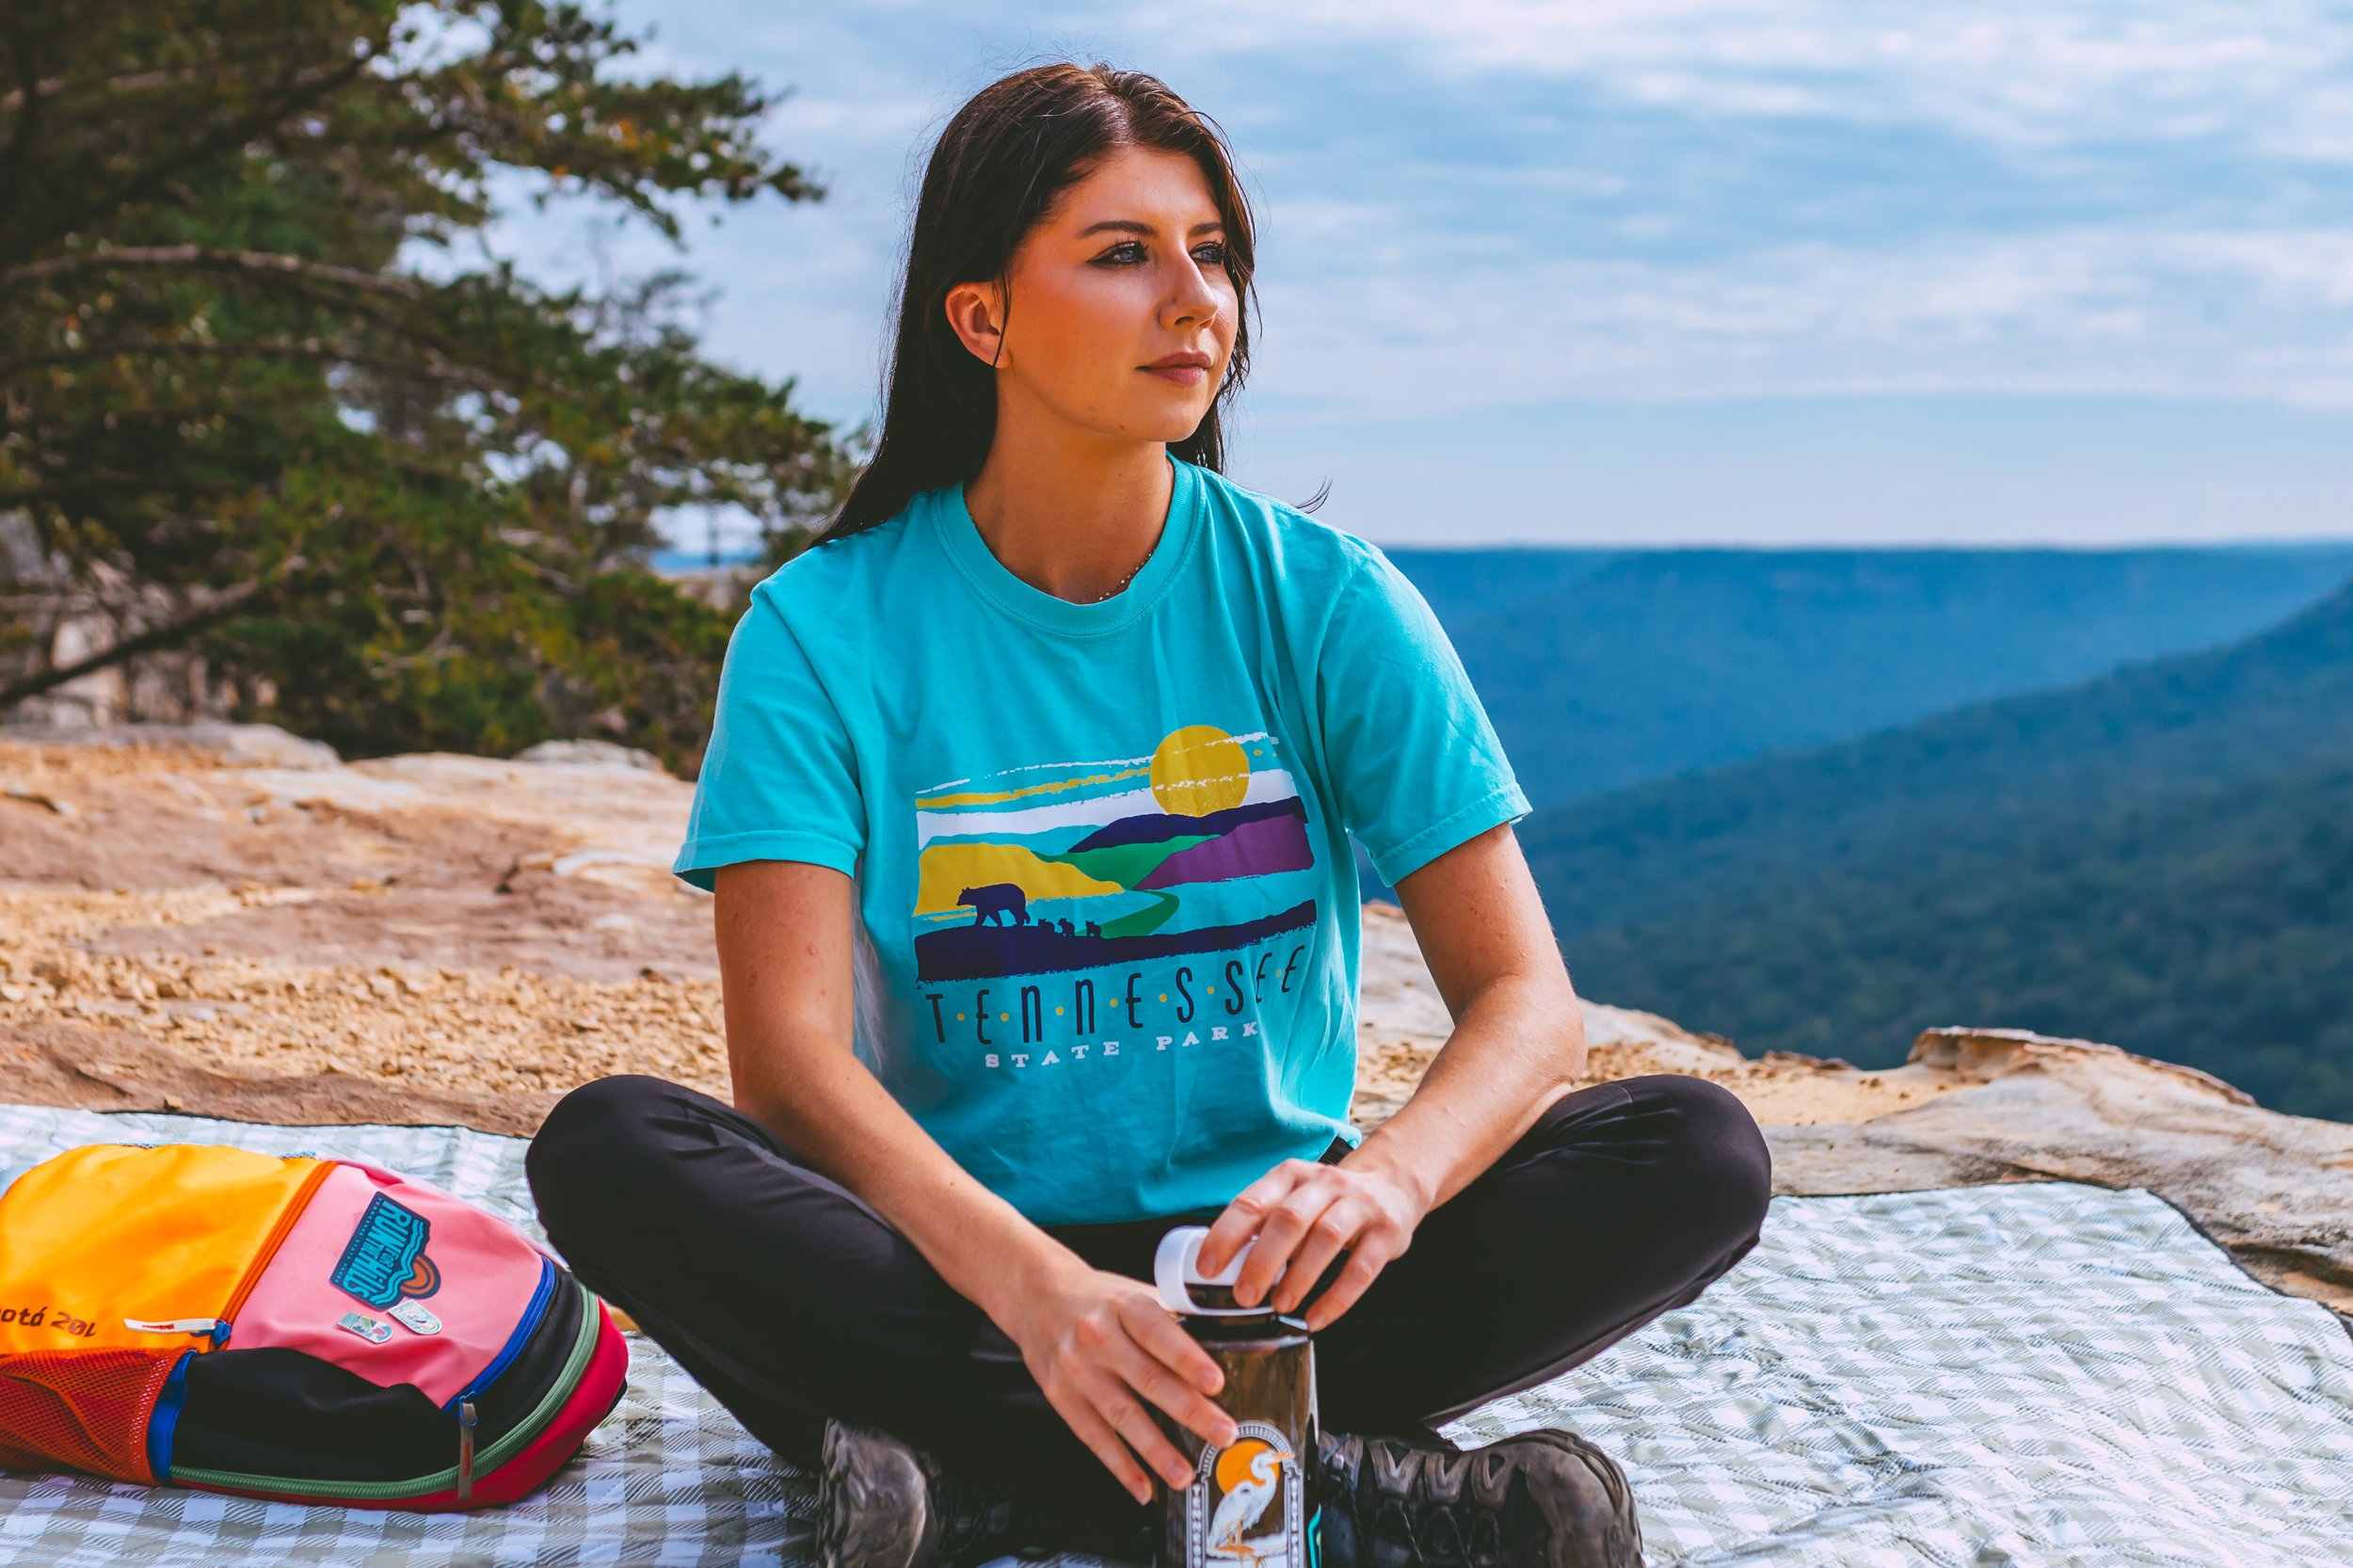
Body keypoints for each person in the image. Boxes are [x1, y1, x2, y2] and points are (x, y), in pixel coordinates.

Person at [526, 60, 1772, 1568]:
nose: (1195, 302)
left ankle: (978, 1488)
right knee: (610, 1146)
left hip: (1275, 1283)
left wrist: (1383, 1183)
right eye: (1123, 253)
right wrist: (1038, 1291)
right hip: (960, 1269)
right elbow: (791, 1068)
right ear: (981, 316)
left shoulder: (1325, 599)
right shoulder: (822, 630)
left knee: (1697, 1149)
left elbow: (1529, 1003)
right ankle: (1335, 1484)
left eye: (1213, 254)